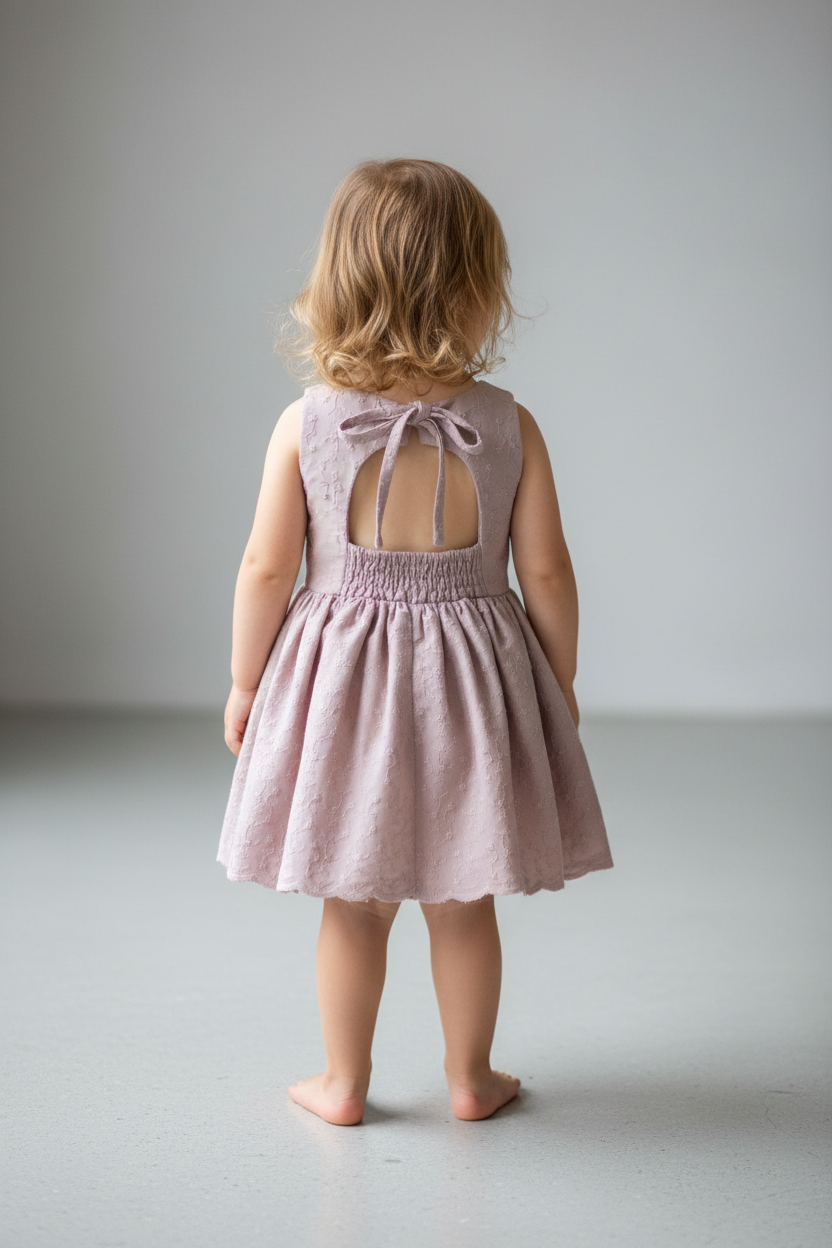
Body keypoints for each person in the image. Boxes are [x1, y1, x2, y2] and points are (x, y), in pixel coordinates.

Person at [218, 158, 612, 1127]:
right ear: (479, 285)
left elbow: (267, 570)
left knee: (353, 900)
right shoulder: (505, 424)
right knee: (463, 893)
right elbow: (549, 572)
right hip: (475, 678)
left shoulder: (305, 424)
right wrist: (553, 683)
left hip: (341, 678)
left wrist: (244, 682)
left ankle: (342, 1086)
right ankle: (472, 1079)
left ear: (340, 280)